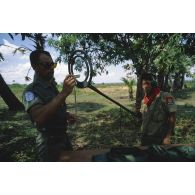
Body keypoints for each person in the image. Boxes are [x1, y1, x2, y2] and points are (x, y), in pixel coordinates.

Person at [22, 50, 76, 161]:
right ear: (35, 67)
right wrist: (63, 93)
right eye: (47, 64)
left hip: (63, 138)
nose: (51, 67)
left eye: (53, 64)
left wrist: (65, 115)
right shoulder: (30, 91)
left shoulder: (52, 87)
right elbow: (39, 118)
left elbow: (53, 107)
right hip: (49, 145)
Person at [138, 73, 177, 146]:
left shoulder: (167, 97)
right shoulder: (144, 101)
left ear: (153, 84)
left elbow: (172, 117)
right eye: (143, 84)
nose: (145, 86)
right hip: (145, 138)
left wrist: (168, 137)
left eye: (148, 83)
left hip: (160, 139)